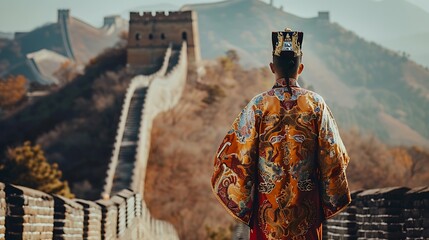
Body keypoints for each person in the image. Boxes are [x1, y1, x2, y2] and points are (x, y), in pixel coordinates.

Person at [211, 28, 351, 239]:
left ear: (271, 67)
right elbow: (335, 157)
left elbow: (234, 157)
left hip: (267, 212)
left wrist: (246, 197)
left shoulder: (258, 105)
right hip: (306, 210)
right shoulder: (316, 105)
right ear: (300, 68)